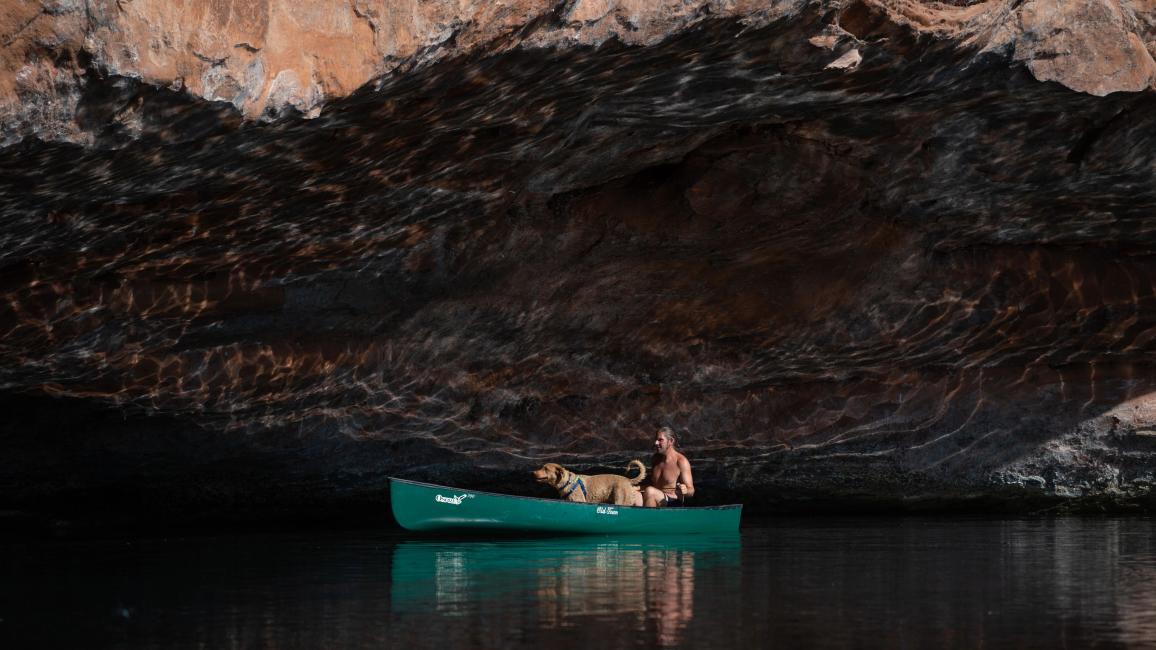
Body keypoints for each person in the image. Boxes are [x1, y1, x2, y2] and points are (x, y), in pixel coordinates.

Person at [642, 426, 695, 507]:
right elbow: (651, 484)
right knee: (633, 495)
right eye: (656, 439)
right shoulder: (655, 459)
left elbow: (691, 491)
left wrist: (685, 490)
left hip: (673, 503)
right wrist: (634, 488)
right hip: (654, 497)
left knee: (650, 492)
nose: (656, 443)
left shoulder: (681, 461)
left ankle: (649, 519)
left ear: (671, 441)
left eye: (660, 440)